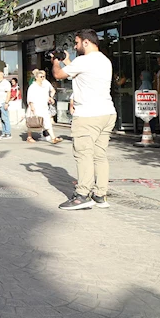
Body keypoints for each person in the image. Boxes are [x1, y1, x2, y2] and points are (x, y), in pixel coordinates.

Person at [53, 29, 117, 210]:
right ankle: (100, 195)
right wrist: (66, 61)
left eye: (77, 42)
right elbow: (79, 72)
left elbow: (59, 75)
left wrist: (56, 62)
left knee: (83, 154)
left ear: (86, 42)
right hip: (107, 112)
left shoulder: (83, 61)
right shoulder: (104, 60)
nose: (75, 45)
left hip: (88, 115)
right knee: (99, 155)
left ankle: (82, 195)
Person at [26, 69, 62, 144]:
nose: (42, 78)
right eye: (40, 77)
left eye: (43, 76)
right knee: (32, 121)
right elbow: (30, 97)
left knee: (47, 121)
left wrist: (49, 98)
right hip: (35, 106)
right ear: (36, 77)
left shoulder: (43, 86)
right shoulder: (33, 86)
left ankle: (53, 138)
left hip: (43, 107)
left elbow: (46, 95)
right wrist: (32, 106)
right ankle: (29, 137)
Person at [0, 71, 12, 139]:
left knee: (5, 117)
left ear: (1, 75)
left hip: (3, 102)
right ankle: (4, 132)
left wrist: (6, 102)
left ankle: (8, 133)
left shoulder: (6, 83)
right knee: (1, 118)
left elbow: (8, 93)